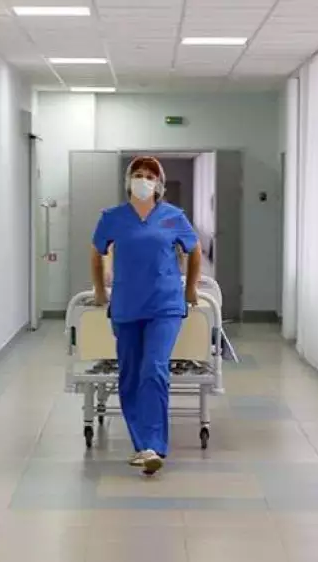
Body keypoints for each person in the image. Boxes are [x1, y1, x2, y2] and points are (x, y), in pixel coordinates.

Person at [91, 156, 201, 475]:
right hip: (127, 306)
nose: (143, 180)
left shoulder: (172, 217)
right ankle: (142, 446)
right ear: (128, 181)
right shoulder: (112, 218)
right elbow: (96, 251)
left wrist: (191, 288)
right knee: (130, 375)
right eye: (138, 174)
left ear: (159, 184)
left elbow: (193, 250)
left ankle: (154, 446)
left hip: (165, 305)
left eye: (150, 176)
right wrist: (99, 290)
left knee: (154, 368)